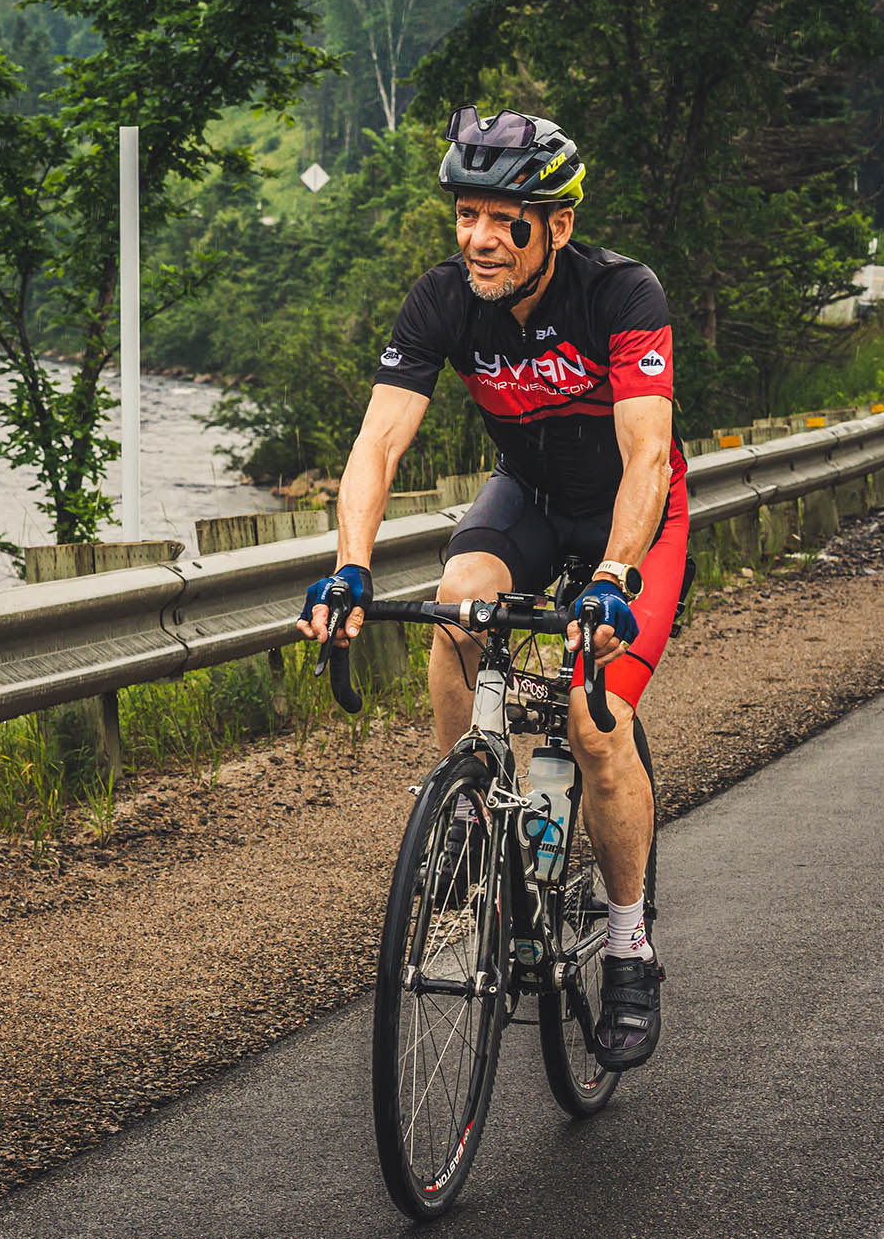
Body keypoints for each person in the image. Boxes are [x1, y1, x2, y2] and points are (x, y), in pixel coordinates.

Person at [293, 107, 689, 1070]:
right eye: (465, 214)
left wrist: (612, 576)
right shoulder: (444, 300)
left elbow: (646, 456)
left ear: (555, 224)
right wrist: (350, 566)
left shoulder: (621, 293)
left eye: (502, 219)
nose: (478, 237)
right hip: (531, 501)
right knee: (457, 601)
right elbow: (379, 442)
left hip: (633, 518)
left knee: (593, 723)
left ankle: (628, 946)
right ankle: (472, 821)